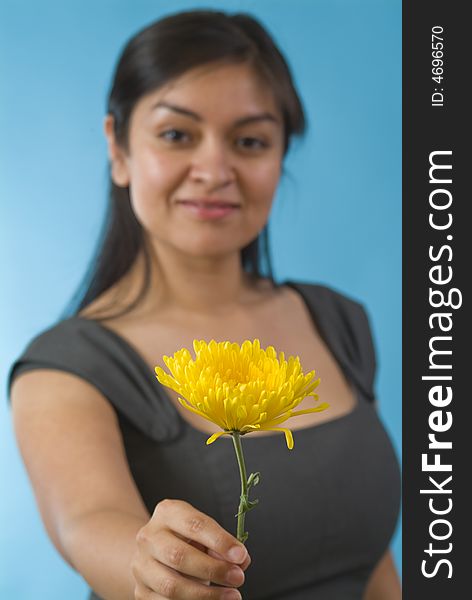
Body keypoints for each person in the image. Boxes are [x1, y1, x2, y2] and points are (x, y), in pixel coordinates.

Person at [8, 9, 401, 600]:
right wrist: (150, 565)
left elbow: (369, 563)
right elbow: (85, 522)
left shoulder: (339, 322)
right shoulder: (67, 366)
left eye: (249, 141)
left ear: (280, 155)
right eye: (176, 135)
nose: (215, 170)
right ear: (118, 147)